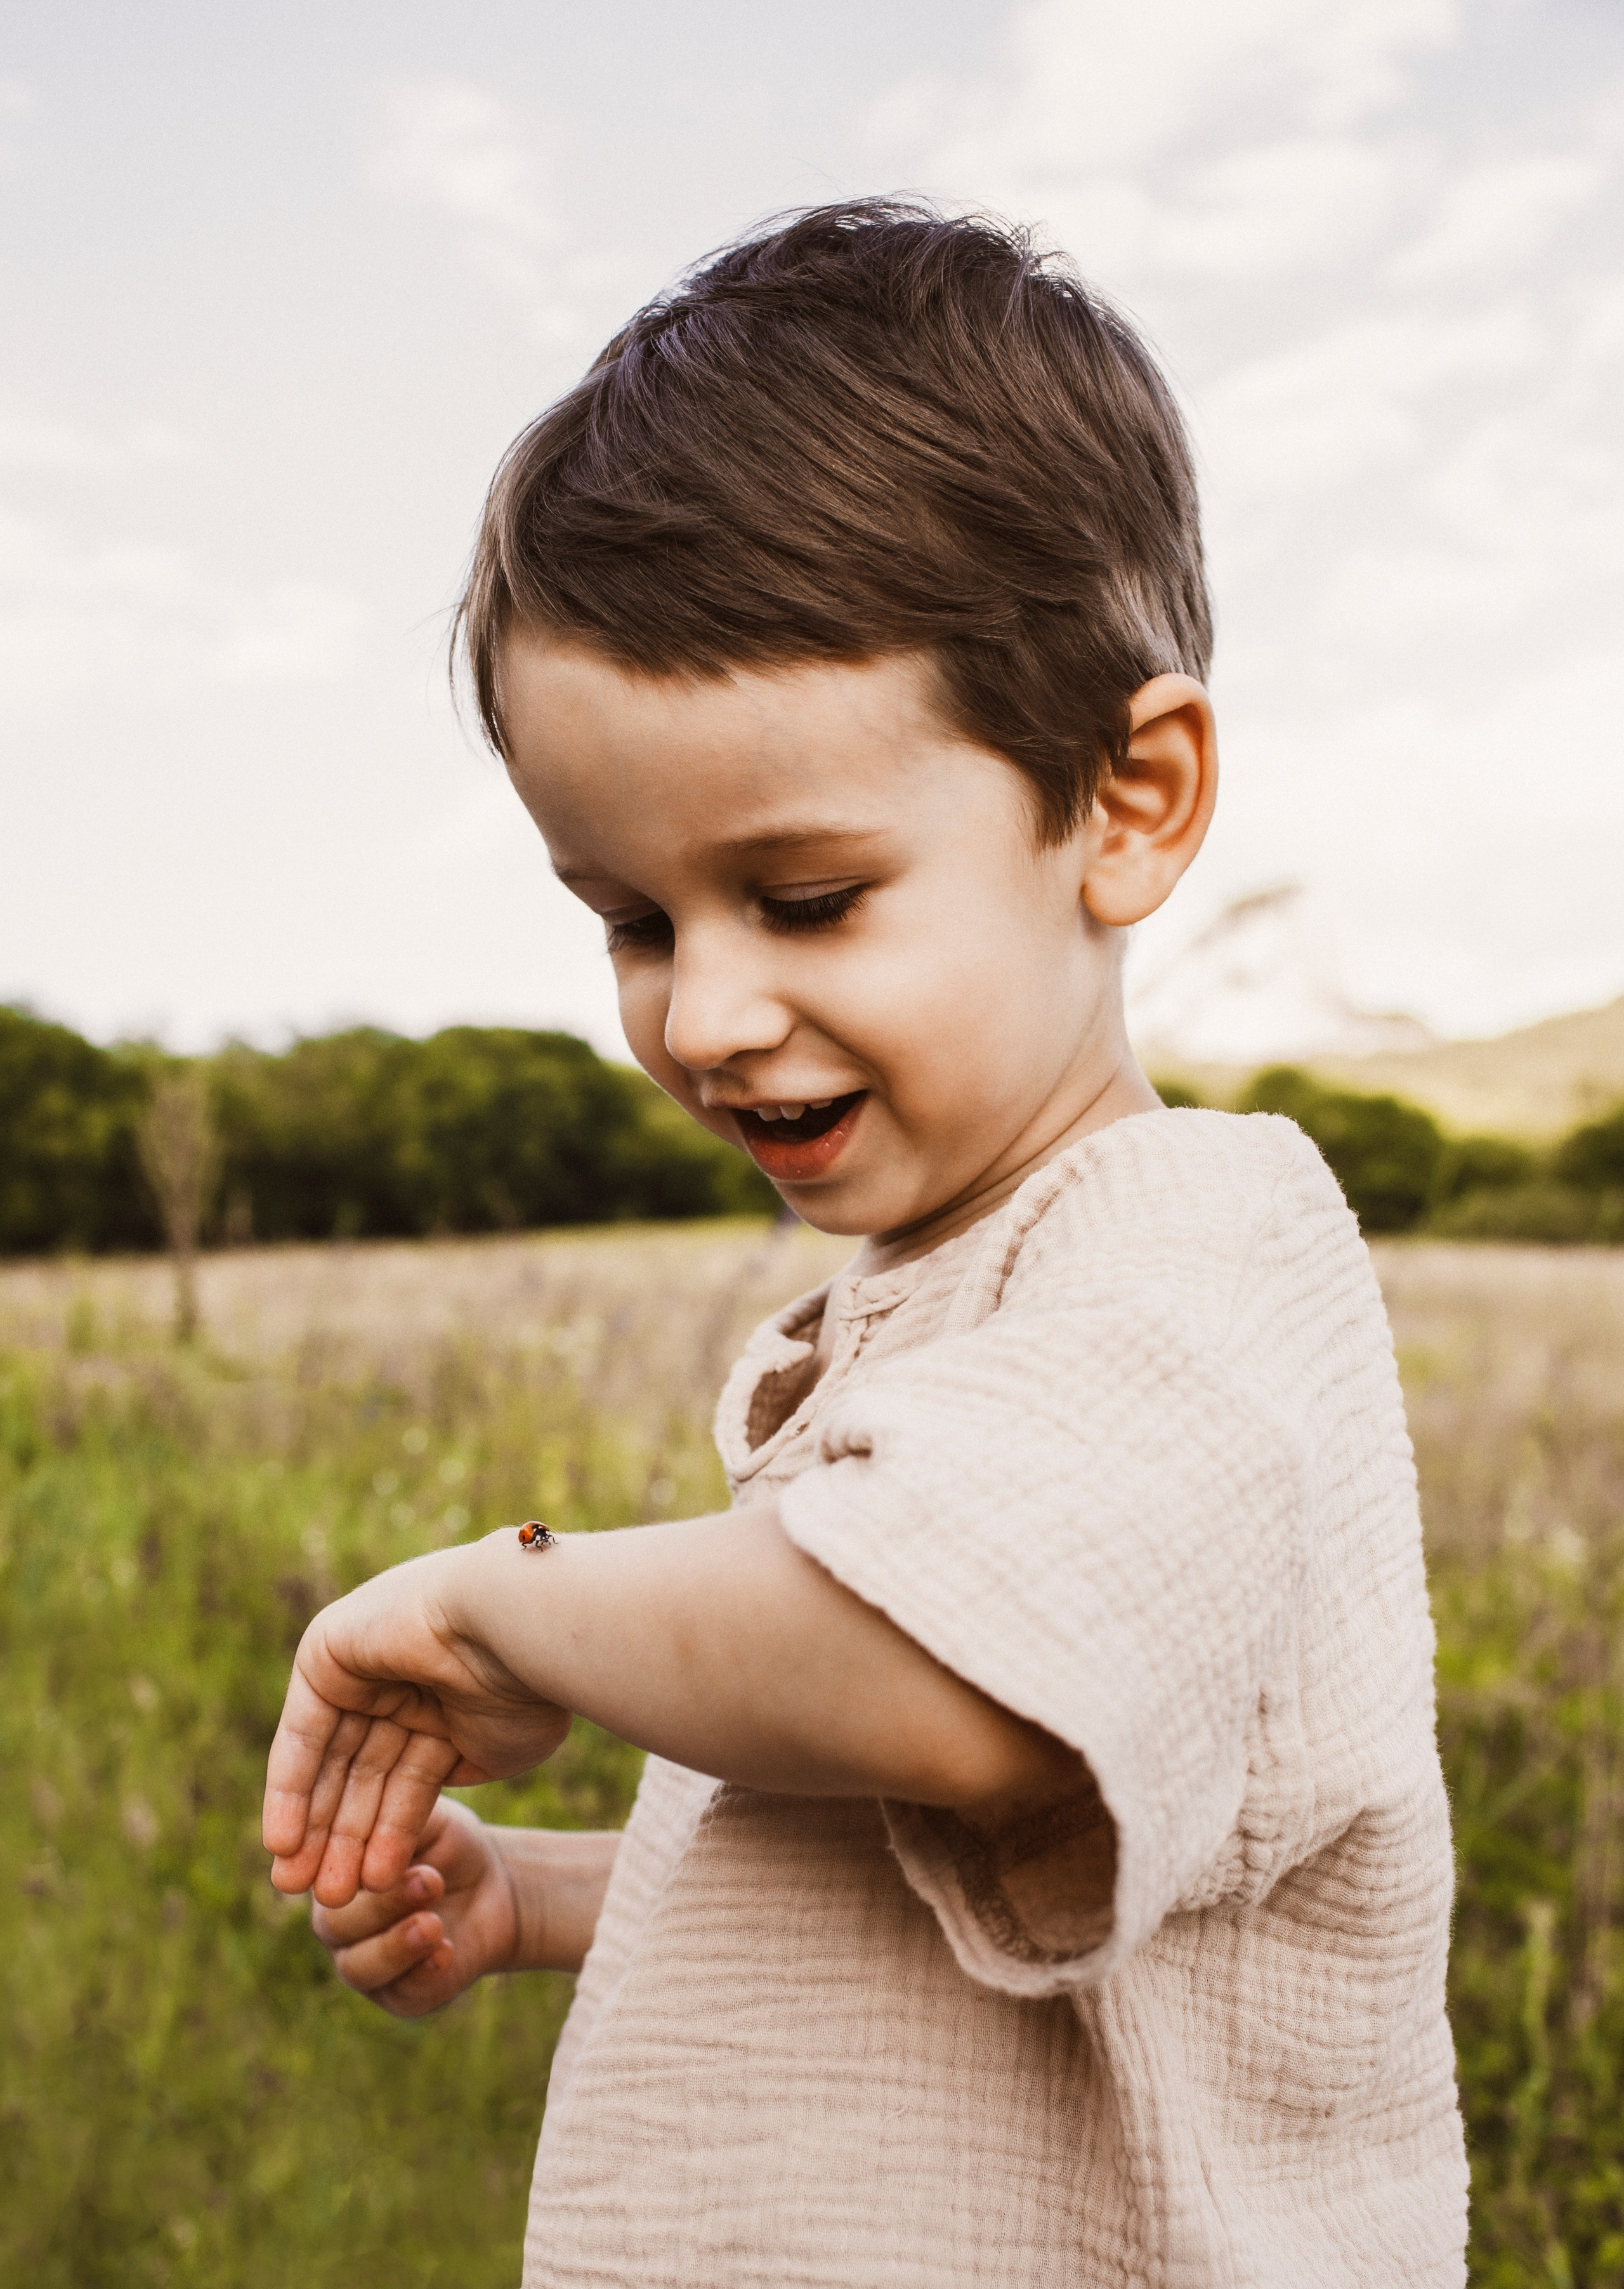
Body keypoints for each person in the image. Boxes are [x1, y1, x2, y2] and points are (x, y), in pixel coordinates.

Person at [262, 200, 1469, 2285]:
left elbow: (944, 1688)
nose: (706, 1013)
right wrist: (548, 1895)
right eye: (633, 919)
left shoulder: (1206, 1260)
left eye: (804, 898)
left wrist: (496, 1603)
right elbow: (902, 1845)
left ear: (1126, 799)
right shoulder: (953, 1307)